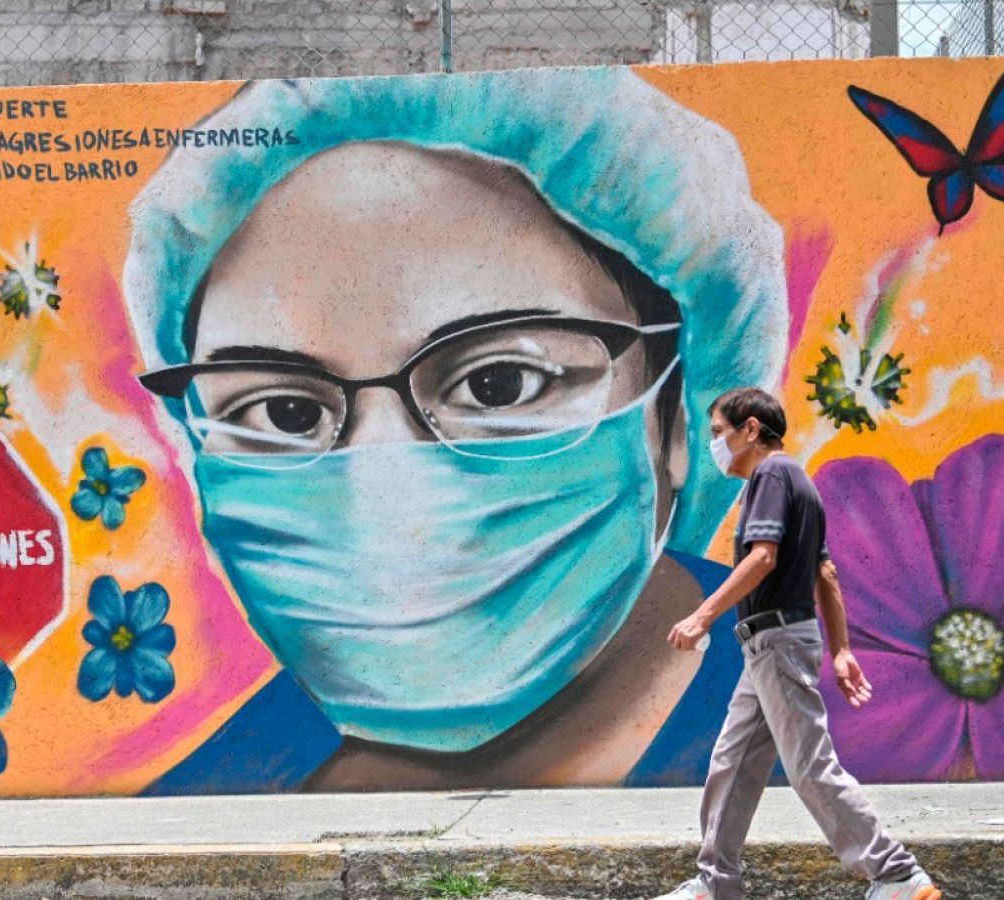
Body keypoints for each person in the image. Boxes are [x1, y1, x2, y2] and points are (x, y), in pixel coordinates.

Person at [121, 67, 791, 793]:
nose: (384, 500)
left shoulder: (811, 720)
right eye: (285, 412)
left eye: (498, 383)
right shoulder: (222, 784)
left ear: (675, 423)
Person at [656, 388, 940, 900]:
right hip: (769, 646)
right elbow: (825, 572)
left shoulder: (771, 475)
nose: (714, 444)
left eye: (719, 432)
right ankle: (714, 884)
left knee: (809, 764)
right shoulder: (800, 482)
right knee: (732, 762)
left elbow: (763, 557)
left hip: (778, 641)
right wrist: (842, 649)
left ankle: (897, 875)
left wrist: (702, 615)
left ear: (750, 430)